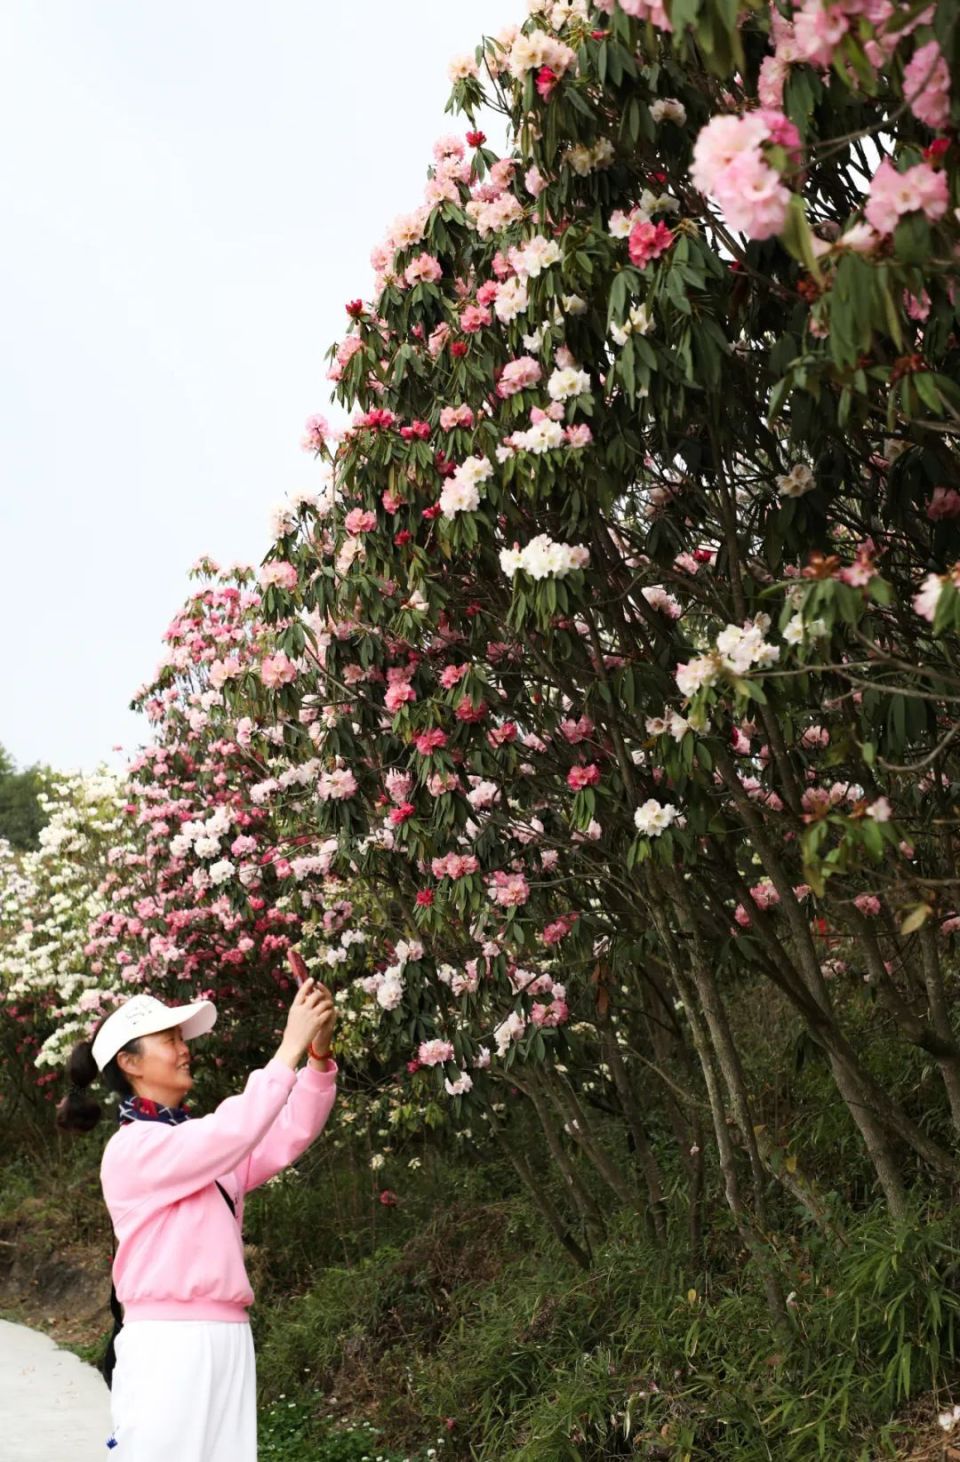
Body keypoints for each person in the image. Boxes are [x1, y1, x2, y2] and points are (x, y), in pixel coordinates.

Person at [56, 959, 337, 1461]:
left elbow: (285, 1133)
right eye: (170, 1040)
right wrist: (287, 1048)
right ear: (131, 1062)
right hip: (169, 1344)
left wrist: (316, 1057)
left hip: (227, 1335)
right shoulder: (134, 1150)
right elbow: (235, 1130)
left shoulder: (197, 1144)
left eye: (182, 1038)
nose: (185, 1049)